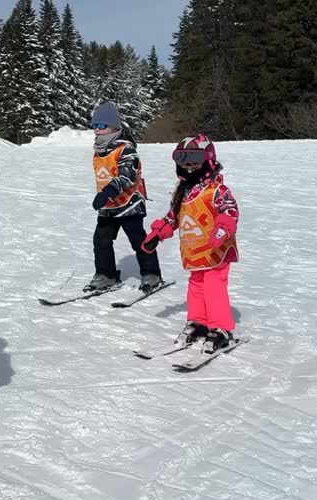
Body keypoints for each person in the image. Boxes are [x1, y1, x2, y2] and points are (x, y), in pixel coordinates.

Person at [142, 134, 239, 353]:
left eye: (194, 161)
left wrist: (222, 228)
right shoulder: (182, 192)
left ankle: (221, 328)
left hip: (217, 250)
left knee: (214, 287)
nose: (188, 167)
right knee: (196, 286)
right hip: (195, 252)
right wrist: (157, 235)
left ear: (208, 160)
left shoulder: (217, 190)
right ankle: (198, 321)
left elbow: (230, 211)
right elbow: (173, 218)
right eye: (183, 161)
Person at [85, 101, 163, 293]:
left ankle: (151, 274)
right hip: (108, 206)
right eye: (94, 126)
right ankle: (106, 275)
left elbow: (127, 175)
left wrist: (107, 192)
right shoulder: (99, 150)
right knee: (101, 241)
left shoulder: (125, 148)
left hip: (129, 204)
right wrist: (105, 196)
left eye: (101, 126)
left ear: (114, 126)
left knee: (138, 240)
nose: (97, 130)